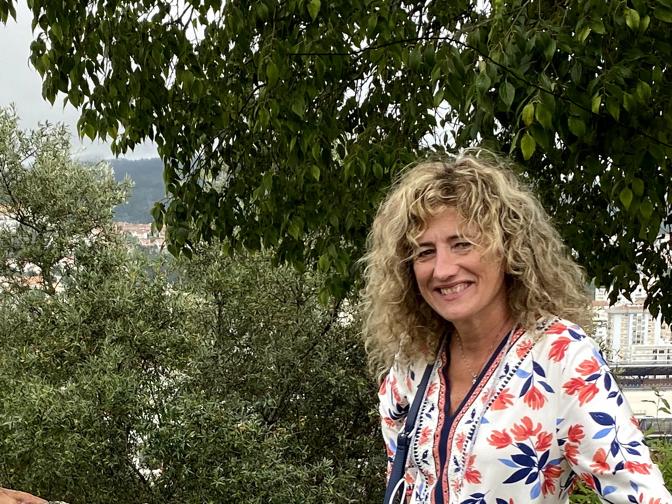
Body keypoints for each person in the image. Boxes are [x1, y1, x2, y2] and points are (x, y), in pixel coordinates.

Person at [361, 150, 672, 503]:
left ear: (508, 248)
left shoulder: (561, 356)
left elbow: (641, 494)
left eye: (462, 244)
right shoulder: (414, 361)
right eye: (424, 252)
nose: (443, 269)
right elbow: (402, 482)